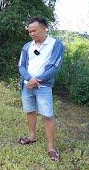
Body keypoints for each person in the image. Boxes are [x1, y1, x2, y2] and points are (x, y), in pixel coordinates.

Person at [18, 17, 65, 162]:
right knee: (30, 111)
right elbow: (21, 66)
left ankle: (51, 147)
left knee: (47, 115)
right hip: (27, 85)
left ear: (44, 28)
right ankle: (32, 136)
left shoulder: (56, 45)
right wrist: (29, 79)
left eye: (34, 30)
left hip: (43, 86)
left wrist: (36, 80)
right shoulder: (27, 46)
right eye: (30, 31)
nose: (32, 34)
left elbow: (54, 67)